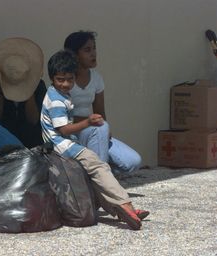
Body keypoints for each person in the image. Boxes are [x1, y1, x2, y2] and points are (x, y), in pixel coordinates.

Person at [40, 50, 149, 230]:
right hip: (63, 145)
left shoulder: (60, 94)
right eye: (60, 79)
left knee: (95, 172)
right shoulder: (57, 99)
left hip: (65, 143)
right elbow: (63, 129)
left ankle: (120, 210)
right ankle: (126, 205)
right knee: (99, 166)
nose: (66, 84)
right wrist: (87, 122)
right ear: (52, 78)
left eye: (70, 79)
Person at [64, 31, 142, 174]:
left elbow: (100, 111)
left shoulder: (97, 78)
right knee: (101, 128)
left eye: (94, 48)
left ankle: (95, 174)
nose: (93, 54)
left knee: (133, 161)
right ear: (74, 55)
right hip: (71, 133)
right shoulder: (65, 80)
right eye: (87, 50)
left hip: (92, 131)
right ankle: (100, 182)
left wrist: (103, 129)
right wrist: (92, 123)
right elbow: (62, 118)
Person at [0, 37, 47, 148]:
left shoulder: (38, 85)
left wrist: (29, 89)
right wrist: (1, 92)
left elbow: (33, 120)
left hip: (31, 142)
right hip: (3, 142)